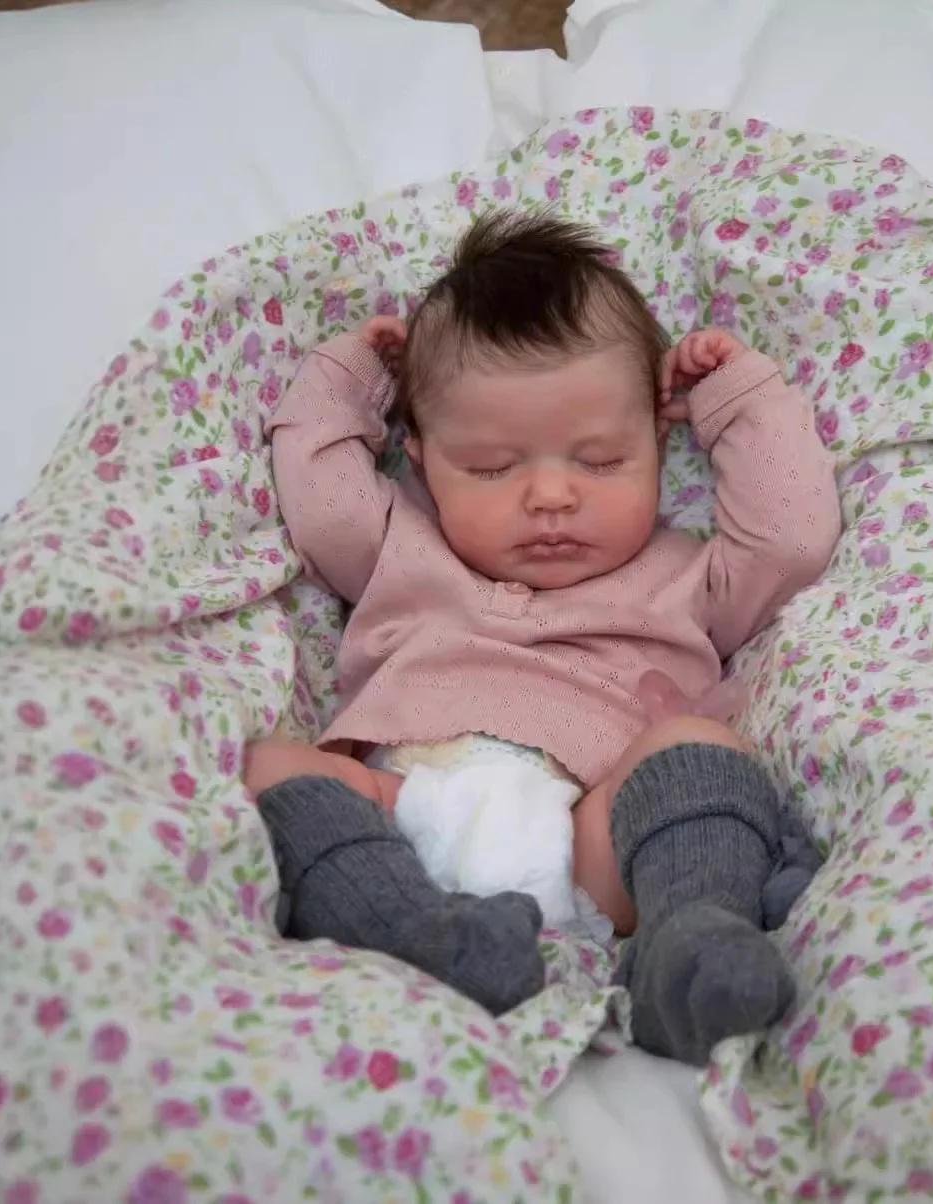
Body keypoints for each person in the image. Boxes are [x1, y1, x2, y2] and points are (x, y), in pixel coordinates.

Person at [244, 210, 840, 1065]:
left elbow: (793, 539)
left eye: (600, 461)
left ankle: (687, 940)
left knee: (700, 747)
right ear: (421, 458)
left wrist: (734, 399)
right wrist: (351, 383)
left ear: (658, 440)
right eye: (492, 467)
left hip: (590, 839)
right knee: (270, 763)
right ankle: (409, 934)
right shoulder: (400, 545)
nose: (552, 497)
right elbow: (322, 498)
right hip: (397, 815)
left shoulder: (686, 577)